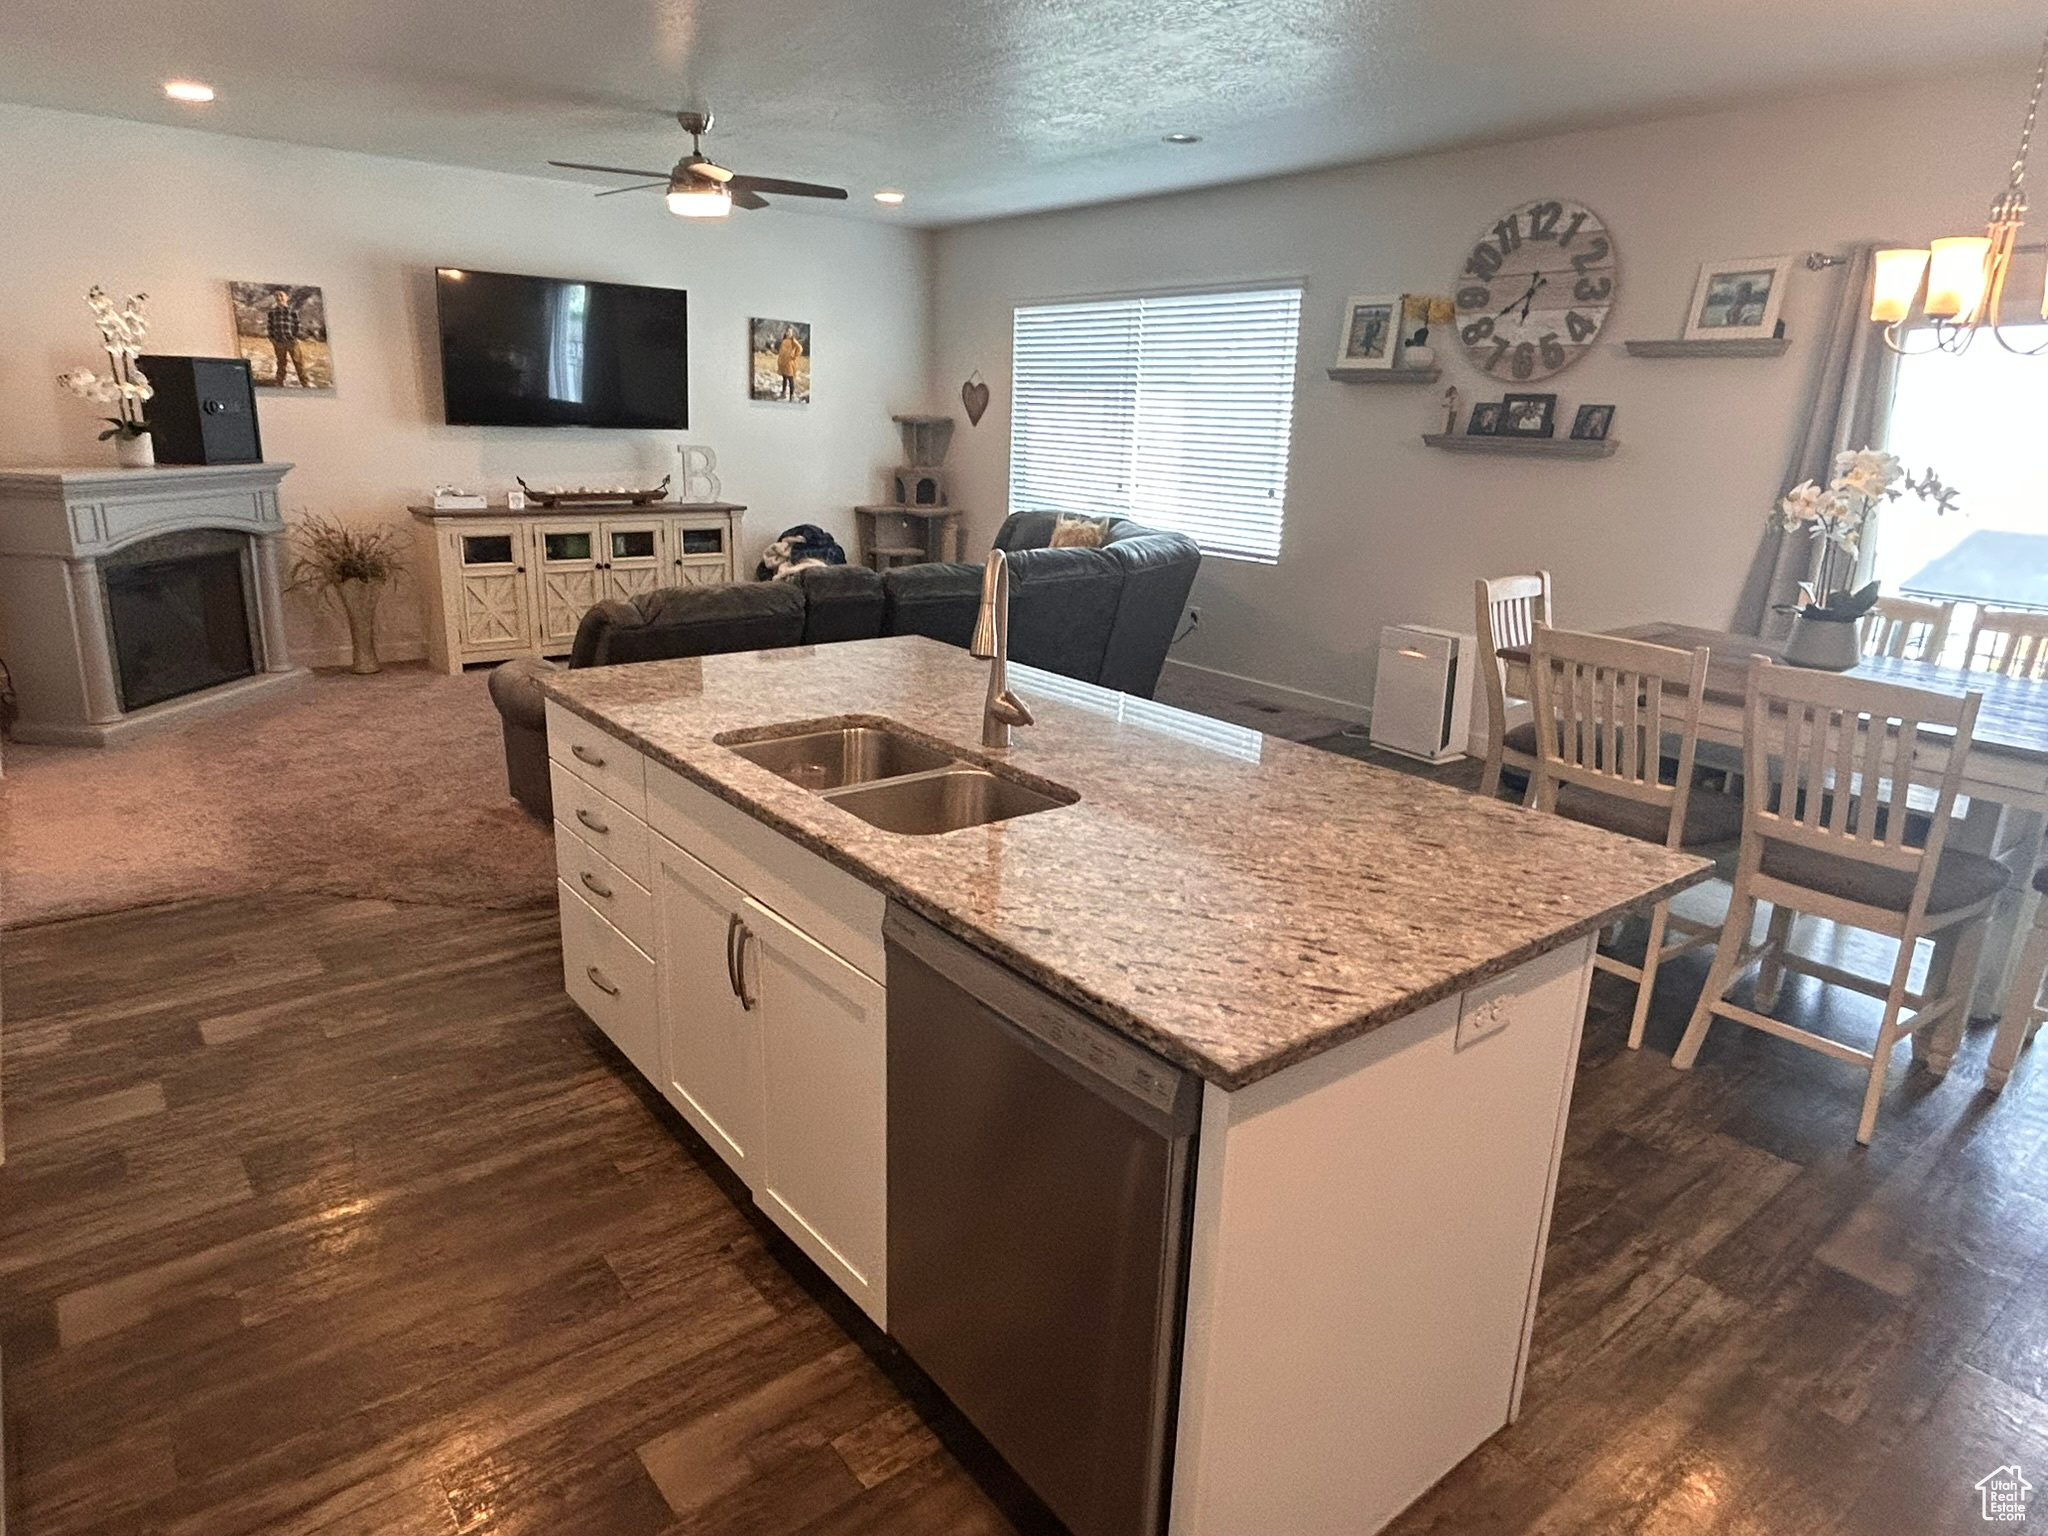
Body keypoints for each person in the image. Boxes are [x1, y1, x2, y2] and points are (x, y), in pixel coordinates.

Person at [265, 288, 309, 387]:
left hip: (291, 341)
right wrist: (272, 338)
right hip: (279, 342)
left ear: (287, 298)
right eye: (277, 296)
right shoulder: (272, 312)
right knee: (281, 363)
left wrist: (294, 336)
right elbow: (270, 326)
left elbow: (297, 325)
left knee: (298, 362)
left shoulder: (292, 311)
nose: (279, 298)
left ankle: (304, 383)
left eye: (281, 295)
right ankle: (279, 382)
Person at [776, 326, 804, 401]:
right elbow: (781, 352)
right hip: (783, 363)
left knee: (791, 379)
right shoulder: (784, 340)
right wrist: (780, 361)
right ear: (785, 332)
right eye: (787, 332)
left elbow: (800, 348)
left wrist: (795, 356)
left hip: (789, 363)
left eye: (790, 332)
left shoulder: (793, 341)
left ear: (792, 333)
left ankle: (791, 396)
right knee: (784, 378)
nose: (788, 333)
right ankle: (783, 393)